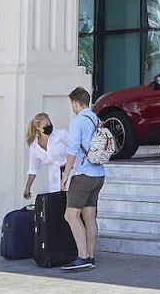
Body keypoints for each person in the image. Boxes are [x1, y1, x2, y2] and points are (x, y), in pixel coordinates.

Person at [60, 87, 104, 271]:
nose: (72, 107)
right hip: (99, 174)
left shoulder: (78, 121)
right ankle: (91, 256)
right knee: (89, 215)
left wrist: (65, 175)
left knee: (70, 215)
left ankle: (83, 256)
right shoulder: (95, 118)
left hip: (83, 175)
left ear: (76, 103)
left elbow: (72, 151)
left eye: (72, 104)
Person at [23, 112, 70, 199]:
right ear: (38, 128)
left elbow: (76, 150)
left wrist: (69, 163)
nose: (49, 125)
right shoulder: (34, 145)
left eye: (50, 123)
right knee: (57, 205)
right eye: (46, 125)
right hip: (54, 178)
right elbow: (33, 168)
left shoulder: (61, 134)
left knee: (71, 205)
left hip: (70, 173)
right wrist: (28, 187)